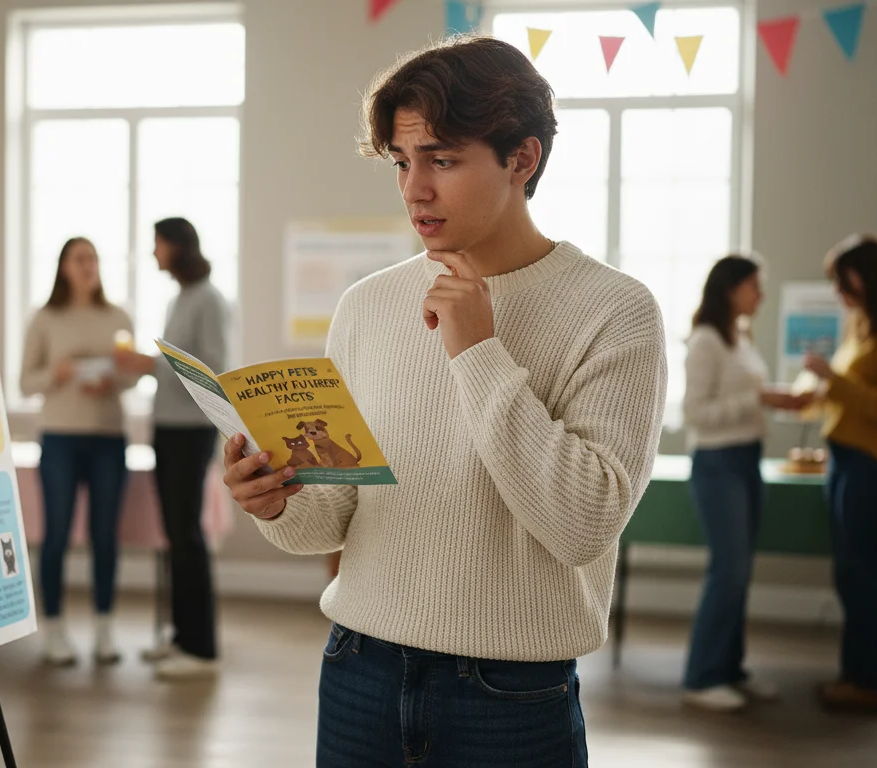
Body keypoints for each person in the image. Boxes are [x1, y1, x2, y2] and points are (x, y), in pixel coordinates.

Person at [222, 37, 667, 765]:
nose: (413, 189)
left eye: (442, 159)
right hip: (357, 672)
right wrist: (276, 501)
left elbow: (584, 524)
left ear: (521, 160)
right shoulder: (367, 306)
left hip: (511, 697)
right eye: (402, 161)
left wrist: (477, 350)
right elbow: (332, 518)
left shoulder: (615, 310)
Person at [679, 254, 812, 711]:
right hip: (718, 464)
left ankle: (730, 669)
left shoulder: (740, 336)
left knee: (740, 573)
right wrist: (758, 396)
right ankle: (701, 677)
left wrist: (774, 400)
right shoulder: (706, 341)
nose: (762, 295)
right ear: (731, 287)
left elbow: (741, 399)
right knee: (728, 571)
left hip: (746, 459)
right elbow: (695, 414)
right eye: (756, 285)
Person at [114, 217, 228, 680]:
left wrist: (151, 365)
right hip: (168, 427)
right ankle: (182, 637)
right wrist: (153, 367)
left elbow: (214, 368)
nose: (153, 253)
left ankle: (200, 649)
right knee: (176, 535)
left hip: (190, 429)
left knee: (188, 536)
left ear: (177, 246)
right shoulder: (182, 297)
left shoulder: (210, 300)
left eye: (158, 244)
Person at [20, 237, 138, 667]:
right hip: (59, 439)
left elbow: (132, 377)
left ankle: (105, 629)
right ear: (64, 267)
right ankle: (53, 628)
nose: (88, 265)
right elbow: (25, 383)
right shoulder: (44, 318)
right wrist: (60, 372)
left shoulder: (118, 316)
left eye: (93, 258)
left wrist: (114, 381)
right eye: (79, 258)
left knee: (105, 537)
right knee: (56, 537)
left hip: (108, 436)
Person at [802, 234, 877, 713]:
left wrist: (836, 384)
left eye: (842, 281)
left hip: (873, 466)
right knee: (851, 575)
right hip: (847, 462)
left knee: (866, 575)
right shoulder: (861, 324)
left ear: (864, 277)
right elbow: (852, 393)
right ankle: (858, 675)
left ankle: (871, 680)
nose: (837, 292)